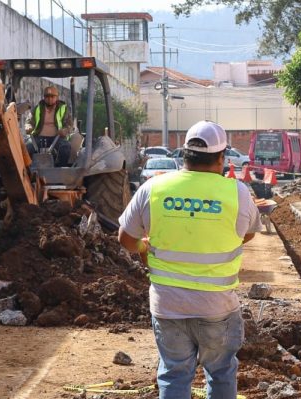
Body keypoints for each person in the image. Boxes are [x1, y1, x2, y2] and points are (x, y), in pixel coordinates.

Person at [117, 120, 261, 399]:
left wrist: (144, 249)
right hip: (217, 307)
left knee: (174, 375)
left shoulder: (153, 188)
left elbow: (125, 238)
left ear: (184, 155)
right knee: (220, 373)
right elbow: (250, 233)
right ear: (222, 157)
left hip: (168, 305)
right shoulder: (238, 193)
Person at [25, 85, 73, 166]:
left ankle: (60, 169)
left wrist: (65, 130)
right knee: (27, 147)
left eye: (52, 96)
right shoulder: (37, 108)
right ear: (44, 97)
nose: (50, 99)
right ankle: (28, 170)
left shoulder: (63, 109)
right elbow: (29, 121)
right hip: (38, 137)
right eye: (47, 96)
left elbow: (69, 124)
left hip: (57, 137)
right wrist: (28, 126)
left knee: (65, 147)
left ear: (57, 97)